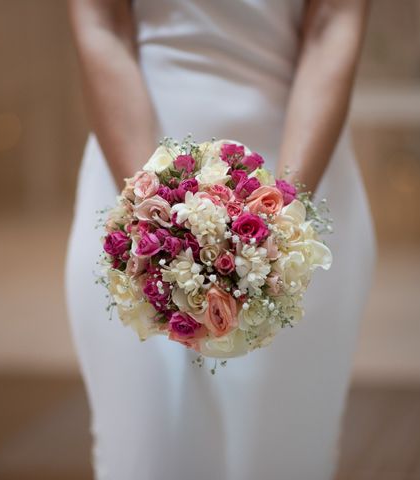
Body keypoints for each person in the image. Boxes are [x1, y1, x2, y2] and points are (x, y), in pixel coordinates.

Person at [65, 1, 375, 479]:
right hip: (131, 166)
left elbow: (333, 24)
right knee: (144, 454)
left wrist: (282, 217)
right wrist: (154, 219)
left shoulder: (290, 209)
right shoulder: (143, 211)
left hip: (301, 163)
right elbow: (103, 25)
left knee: (281, 456)